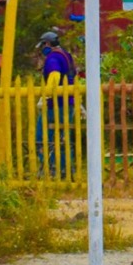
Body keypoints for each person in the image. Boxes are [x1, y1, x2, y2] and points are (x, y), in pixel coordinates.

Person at [34, 29, 78, 176]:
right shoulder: (66, 56)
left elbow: (54, 76)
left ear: (47, 44)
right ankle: (66, 168)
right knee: (63, 137)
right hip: (68, 102)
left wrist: (45, 97)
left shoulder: (52, 58)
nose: (42, 49)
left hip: (55, 104)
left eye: (43, 45)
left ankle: (51, 167)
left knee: (42, 137)